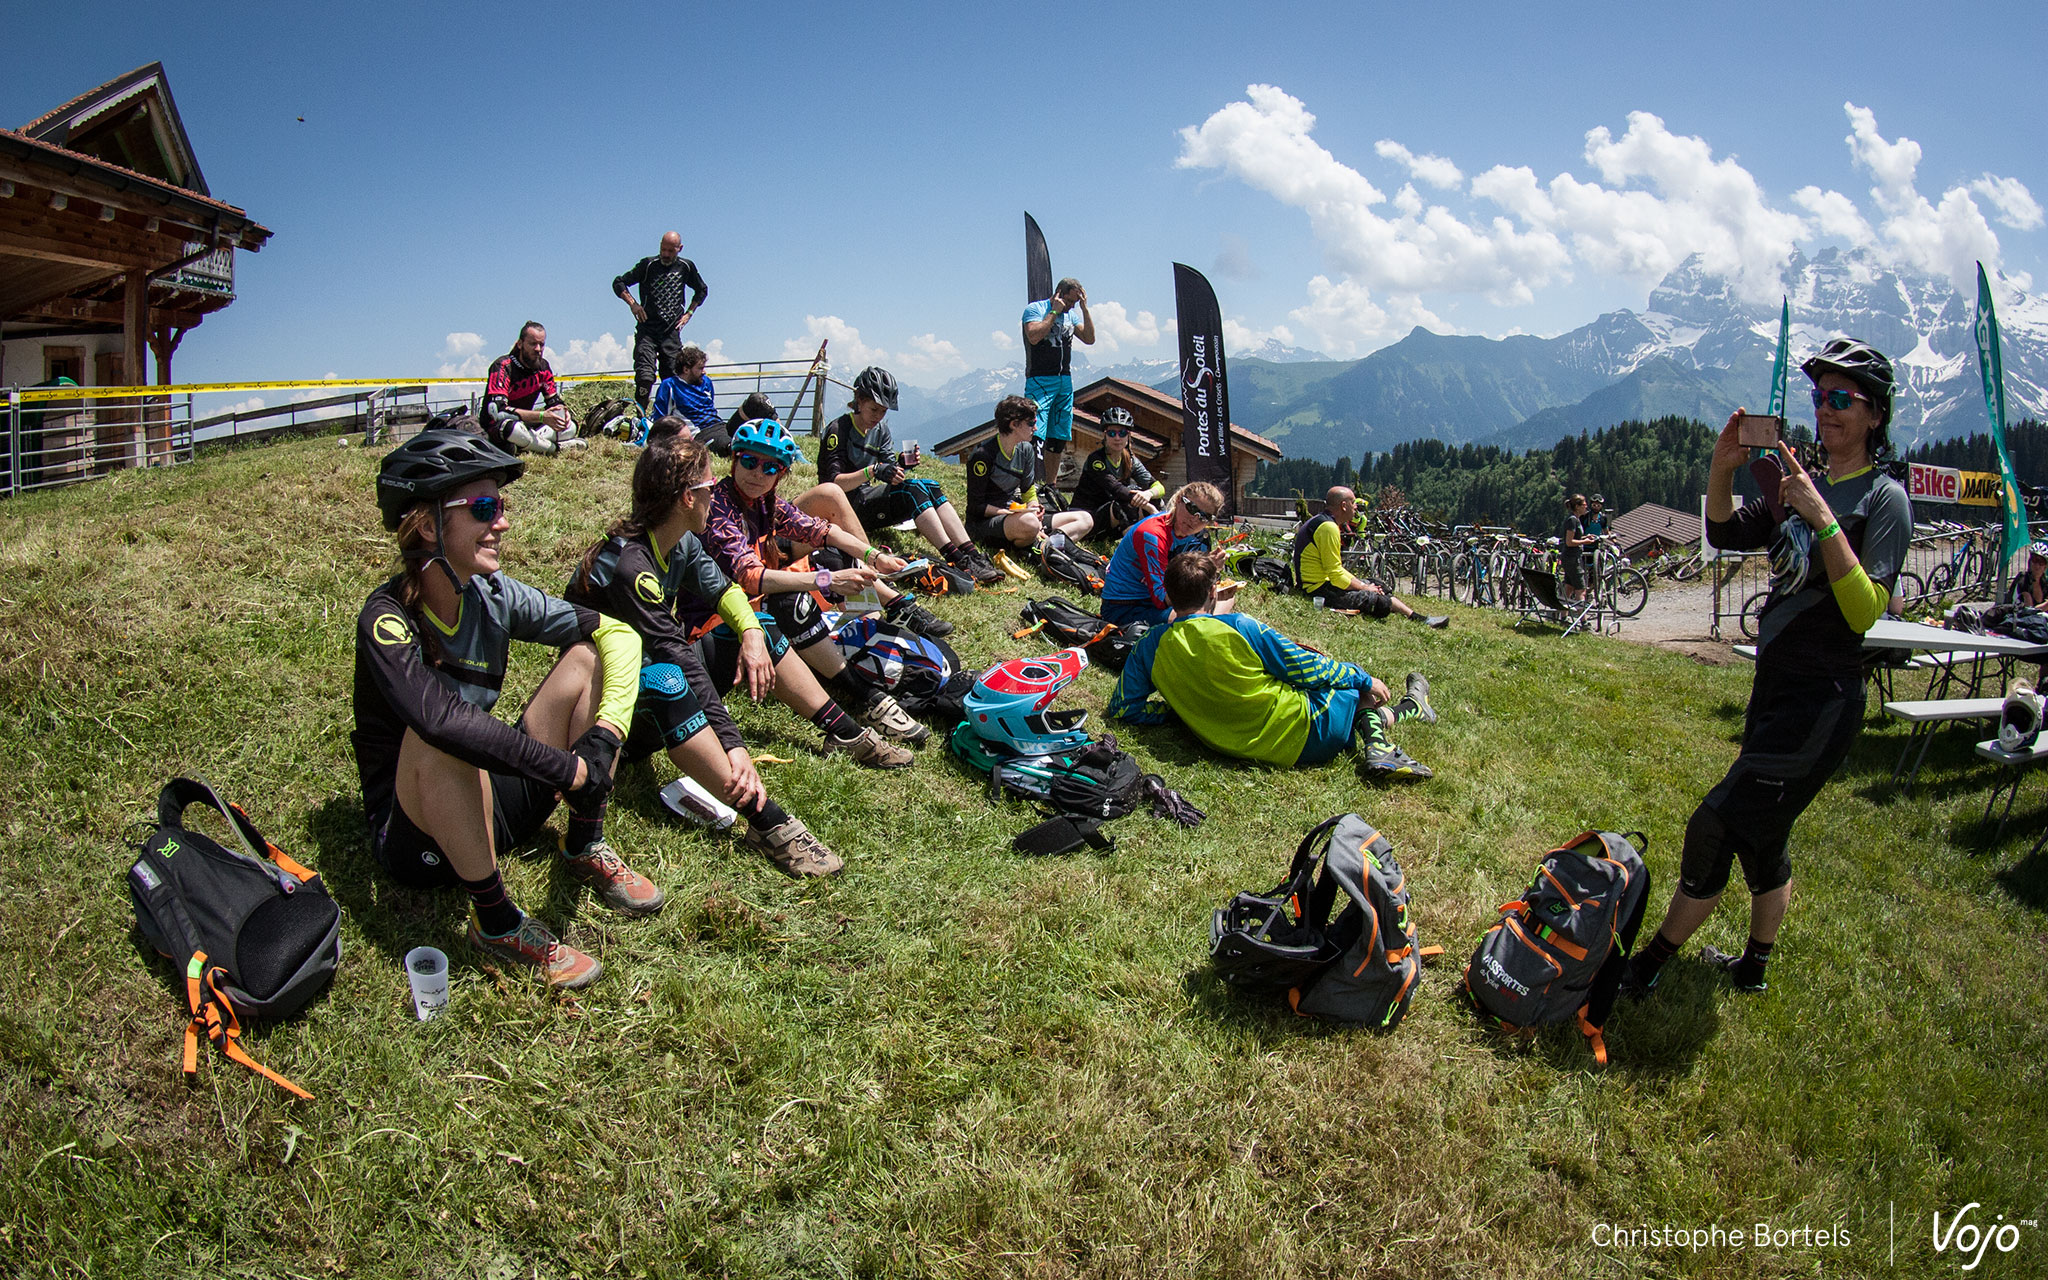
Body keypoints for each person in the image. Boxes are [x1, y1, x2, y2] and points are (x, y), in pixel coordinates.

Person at [1626, 338, 1912, 999]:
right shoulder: (1796, 481)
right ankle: (1754, 968)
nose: (1827, 409)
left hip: (1823, 702)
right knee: (1766, 833)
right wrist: (1722, 468)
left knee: (1717, 821)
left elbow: (1869, 610)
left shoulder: (1884, 498)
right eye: (1820, 397)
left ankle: (1650, 963)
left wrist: (1824, 522)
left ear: (1875, 415)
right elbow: (1724, 533)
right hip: (1774, 691)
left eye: (1843, 399)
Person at [353, 429, 656, 990]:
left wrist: (604, 738)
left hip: (489, 799)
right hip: (417, 835)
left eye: (502, 506)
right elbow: (439, 722)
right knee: (437, 732)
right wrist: (565, 769)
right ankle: (495, 922)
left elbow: (619, 634)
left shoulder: (494, 594)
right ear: (425, 525)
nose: (503, 523)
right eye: (484, 508)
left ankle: (584, 839)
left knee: (588, 655)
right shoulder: (386, 618)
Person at [567, 429, 914, 876]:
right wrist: (733, 746)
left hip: (638, 684)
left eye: (770, 468)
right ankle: (769, 823)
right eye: (709, 487)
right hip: (604, 725)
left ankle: (843, 731)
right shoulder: (631, 566)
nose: (718, 493)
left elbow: (725, 591)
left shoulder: (678, 540)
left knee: (762, 627)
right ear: (686, 499)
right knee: (670, 680)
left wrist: (750, 630)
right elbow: (676, 654)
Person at [700, 416, 944, 743]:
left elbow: (823, 531)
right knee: (793, 602)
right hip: (714, 630)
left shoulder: (763, 503)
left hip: (750, 617)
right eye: (749, 461)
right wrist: (827, 580)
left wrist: (874, 556)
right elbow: (751, 577)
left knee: (819, 569)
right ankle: (866, 699)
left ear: (781, 474)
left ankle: (866, 686)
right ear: (734, 460)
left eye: (770, 468)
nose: (758, 474)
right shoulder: (719, 507)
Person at [1109, 552, 1436, 778]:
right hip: (1304, 734)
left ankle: (1412, 707)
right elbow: (1305, 669)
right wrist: (1361, 676)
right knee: (1357, 691)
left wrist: (1176, 714)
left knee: (1355, 705)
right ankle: (1380, 745)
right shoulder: (1239, 626)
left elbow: (1124, 708)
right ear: (1213, 592)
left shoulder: (1148, 646)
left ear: (1167, 594)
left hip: (1227, 743)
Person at [818, 366, 1003, 585]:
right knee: (913, 490)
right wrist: (873, 470)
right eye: (873, 410)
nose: (878, 417)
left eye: (883, 411)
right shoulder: (839, 429)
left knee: (929, 486)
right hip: (845, 508)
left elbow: (889, 471)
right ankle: (956, 559)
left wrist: (900, 465)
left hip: (867, 498)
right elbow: (832, 485)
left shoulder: (881, 431)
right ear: (859, 401)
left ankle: (971, 553)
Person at [1292, 487, 1449, 629]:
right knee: (1380, 600)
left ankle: (1416, 617)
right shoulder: (1329, 528)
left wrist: (1362, 584)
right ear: (1343, 505)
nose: (1356, 507)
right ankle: (1419, 619)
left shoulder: (1322, 521)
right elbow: (1334, 574)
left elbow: (1336, 569)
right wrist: (1363, 587)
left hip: (1322, 584)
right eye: (1353, 503)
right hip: (1317, 590)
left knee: (1378, 584)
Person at [965, 395, 1094, 558]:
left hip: (1020, 518)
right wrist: (1011, 513)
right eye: (1031, 423)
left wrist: (1034, 509)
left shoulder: (1026, 449)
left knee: (1085, 519)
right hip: (985, 524)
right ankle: (1042, 545)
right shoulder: (983, 455)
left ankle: (1044, 545)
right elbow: (976, 507)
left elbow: (1028, 491)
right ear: (1014, 424)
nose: (1036, 428)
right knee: (1029, 523)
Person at [1099, 482, 1229, 630]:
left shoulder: (1198, 537)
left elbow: (1194, 585)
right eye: (1192, 508)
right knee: (1190, 619)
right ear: (1179, 500)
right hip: (1124, 607)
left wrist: (1211, 570)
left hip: (1160, 601)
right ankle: (1208, 625)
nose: (1195, 519)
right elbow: (1161, 599)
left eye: (1205, 517)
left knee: (1227, 597)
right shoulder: (1152, 534)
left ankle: (1207, 624)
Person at [614, 231, 709, 413]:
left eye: (670, 251)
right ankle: (640, 418)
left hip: (671, 332)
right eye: (663, 249)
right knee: (645, 376)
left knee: (672, 380)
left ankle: (668, 420)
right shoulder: (648, 265)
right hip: (647, 330)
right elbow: (619, 282)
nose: (665, 254)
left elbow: (702, 290)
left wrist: (689, 312)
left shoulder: (686, 267)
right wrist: (633, 304)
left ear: (679, 249)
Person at [1021, 277, 1095, 494]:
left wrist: (1084, 309)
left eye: (1076, 302)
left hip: (1065, 379)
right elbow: (1034, 336)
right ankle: (1028, 484)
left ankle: (1051, 485)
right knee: (1033, 431)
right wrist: (1053, 312)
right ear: (1060, 293)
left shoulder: (1072, 315)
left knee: (1058, 435)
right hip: (1040, 379)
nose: (1072, 305)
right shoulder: (1036, 309)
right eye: (1071, 300)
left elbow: (1090, 338)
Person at [482, 322, 583, 455]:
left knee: (571, 427)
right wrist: (541, 416)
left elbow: (553, 401)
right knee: (512, 429)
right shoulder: (503, 366)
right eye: (532, 344)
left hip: (527, 425)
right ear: (520, 344)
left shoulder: (543, 367)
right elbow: (498, 412)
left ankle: (528, 446)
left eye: (541, 344)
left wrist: (562, 413)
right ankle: (555, 449)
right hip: (498, 426)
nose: (538, 349)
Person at [1070, 406, 1164, 542]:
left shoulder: (1130, 460)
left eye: (1122, 433)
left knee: (1155, 500)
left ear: (1128, 435)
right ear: (1105, 435)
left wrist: (1149, 494)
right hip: (1086, 520)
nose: (1117, 438)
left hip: (1111, 520)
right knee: (1126, 500)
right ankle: (1134, 547)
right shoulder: (1096, 460)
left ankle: (1158, 539)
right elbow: (1116, 490)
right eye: (1112, 433)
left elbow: (1158, 486)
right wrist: (1149, 508)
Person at [648, 344, 722, 440]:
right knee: (730, 447)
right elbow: (660, 419)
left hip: (718, 425)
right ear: (686, 369)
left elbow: (710, 407)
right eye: (700, 368)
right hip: (698, 434)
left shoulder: (706, 382)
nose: (704, 372)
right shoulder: (670, 386)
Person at [1559, 494, 1594, 603]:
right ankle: (1583, 619)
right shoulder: (1572, 521)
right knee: (1581, 590)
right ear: (1577, 507)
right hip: (1573, 559)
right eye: (1584, 504)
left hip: (1570, 558)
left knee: (1569, 588)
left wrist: (1584, 537)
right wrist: (1585, 541)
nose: (1586, 507)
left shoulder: (1575, 519)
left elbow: (1574, 537)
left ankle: (1563, 616)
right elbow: (1569, 542)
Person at [2012, 540, 2047, 609]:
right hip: (2019, 616)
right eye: (2034, 560)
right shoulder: (2023, 580)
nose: (2037, 566)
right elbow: (2029, 610)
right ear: (2029, 562)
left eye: (2041, 562)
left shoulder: (2044, 582)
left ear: (2045, 567)